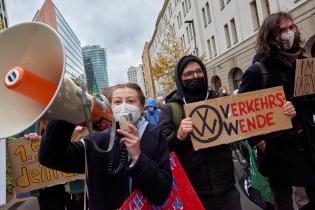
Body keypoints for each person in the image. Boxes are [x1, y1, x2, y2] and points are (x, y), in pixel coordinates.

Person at [38, 83, 172, 210]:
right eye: (118, 102)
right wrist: (67, 114)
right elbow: (50, 157)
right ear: (110, 107)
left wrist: (138, 157)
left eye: (131, 101)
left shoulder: (157, 138)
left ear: (142, 108)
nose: (124, 106)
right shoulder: (97, 140)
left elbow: (161, 194)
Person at [238, 12, 315, 210]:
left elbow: (309, 105)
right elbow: (242, 115)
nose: (289, 33)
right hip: (278, 156)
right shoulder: (257, 72)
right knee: (284, 205)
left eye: (291, 27)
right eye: (282, 30)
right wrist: (264, 145)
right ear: (270, 35)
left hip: (307, 148)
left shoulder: (302, 63)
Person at [158, 55, 242, 210]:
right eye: (188, 74)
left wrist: (280, 113)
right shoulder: (172, 109)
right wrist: (178, 136)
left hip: (227, 187)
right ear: (180, 78)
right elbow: (161, 147)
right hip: (193, 192)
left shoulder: (220, 100)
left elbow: (247, 124)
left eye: (198, 71)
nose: (195, 76)